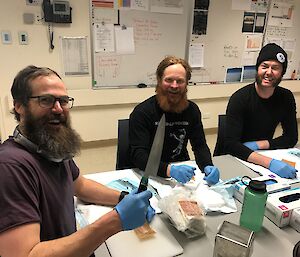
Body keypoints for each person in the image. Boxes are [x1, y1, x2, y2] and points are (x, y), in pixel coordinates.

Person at [0, 66, 155, 257]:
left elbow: (80, 185)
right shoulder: (11, 167)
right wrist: (116, 220)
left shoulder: (50, 145)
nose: (58, 108)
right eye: (46, 100)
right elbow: (26, 254)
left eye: (63, 100)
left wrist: (123, 198)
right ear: (19, 106)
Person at [129, 56, 220, 185]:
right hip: (148, 173)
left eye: (180, 81)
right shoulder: (142, 112)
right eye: (169, 80)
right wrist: (169, 170)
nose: (174, 85)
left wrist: (207, 165)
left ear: (186, 83)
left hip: (181, 169)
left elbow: (199, 145)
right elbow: (139, 156)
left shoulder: (192, 110)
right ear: (159, 80)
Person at [225, 43, 298, 179]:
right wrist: (269, 163)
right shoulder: (240, 98)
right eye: (264, 66)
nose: (269, 72)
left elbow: (291, 137)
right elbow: (230, 144)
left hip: (264, 154)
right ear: (257, 69)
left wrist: (260, 144)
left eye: (275, 68)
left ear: (282, 72)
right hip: (235, 158)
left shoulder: (286, 97)